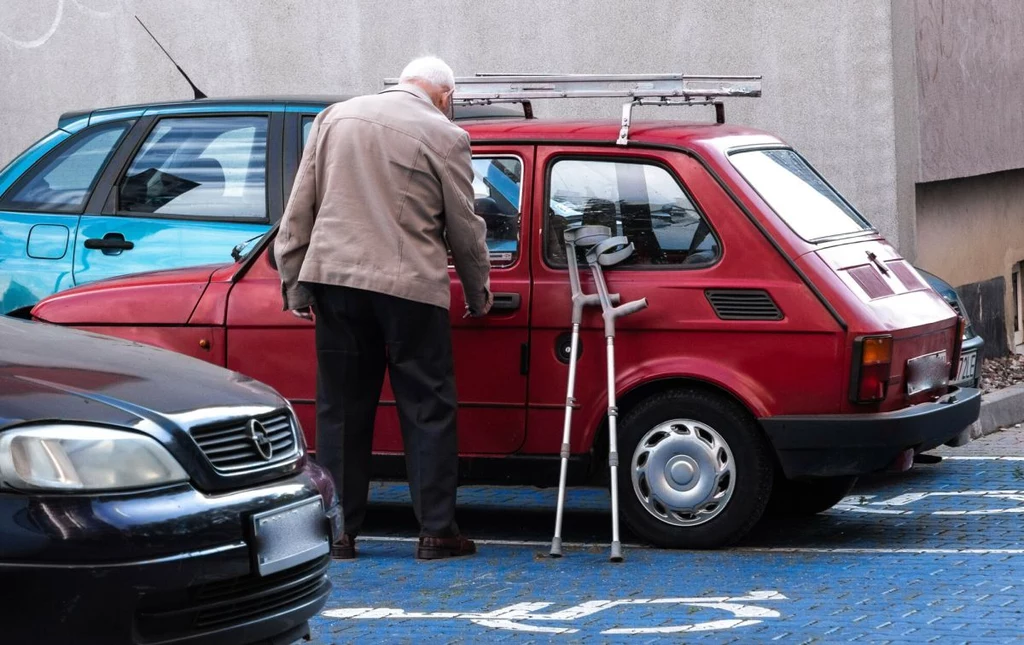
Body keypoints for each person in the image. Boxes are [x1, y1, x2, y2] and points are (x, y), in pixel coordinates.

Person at [275, 56, 492, 560]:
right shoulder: (445, 134)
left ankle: (340, 532)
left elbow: (300, 206)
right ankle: (437, 532)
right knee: (428, 408)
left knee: (342, 411)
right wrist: (479, 294)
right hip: (409, 288)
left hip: (336, 283)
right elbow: (465, 226)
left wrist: (296, 285)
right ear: (444, 96)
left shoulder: (335, 117)